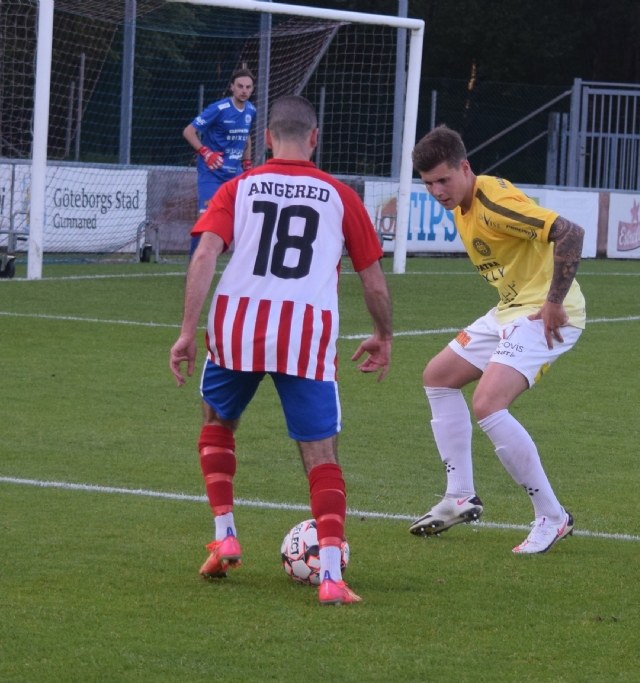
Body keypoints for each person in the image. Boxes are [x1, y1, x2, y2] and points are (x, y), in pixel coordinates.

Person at [169, 96, 393, 605]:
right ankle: (331, 576)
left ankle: (225, 534)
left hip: (236, 328)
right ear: (315, 138)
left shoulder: (237, 187)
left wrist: (186, 330)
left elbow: (205, 254)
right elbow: (373, 278)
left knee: (217, 421)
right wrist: (383, 334)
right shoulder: (340, 196)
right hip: (305, 335)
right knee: (320, 453)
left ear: (266, 138)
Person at [408, 125, 586, 554]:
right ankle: (460, 496)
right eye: (428, 184)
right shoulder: (462, 203)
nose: (436, 191)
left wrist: (554, 302)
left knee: (488, 403)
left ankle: (552, 516)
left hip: (546, 313)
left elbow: (570, 232)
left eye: (443, 180)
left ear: (465, 167)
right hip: (510, 309)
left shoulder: (494, 205)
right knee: (438, 376)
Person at [183, 67, 256, 258]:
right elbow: (188, 132)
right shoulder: (218, 109)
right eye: (240, 86)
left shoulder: (251, 110)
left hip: (235, 174)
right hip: (212, 173)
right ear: (232, 87)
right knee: (206, 221)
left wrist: (247, 165)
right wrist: (205, 152)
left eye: (248, 87)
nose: (244, 90)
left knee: (248, 218)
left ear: (252, 89)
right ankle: (194, 265)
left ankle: (245, 265)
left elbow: (246, 137)